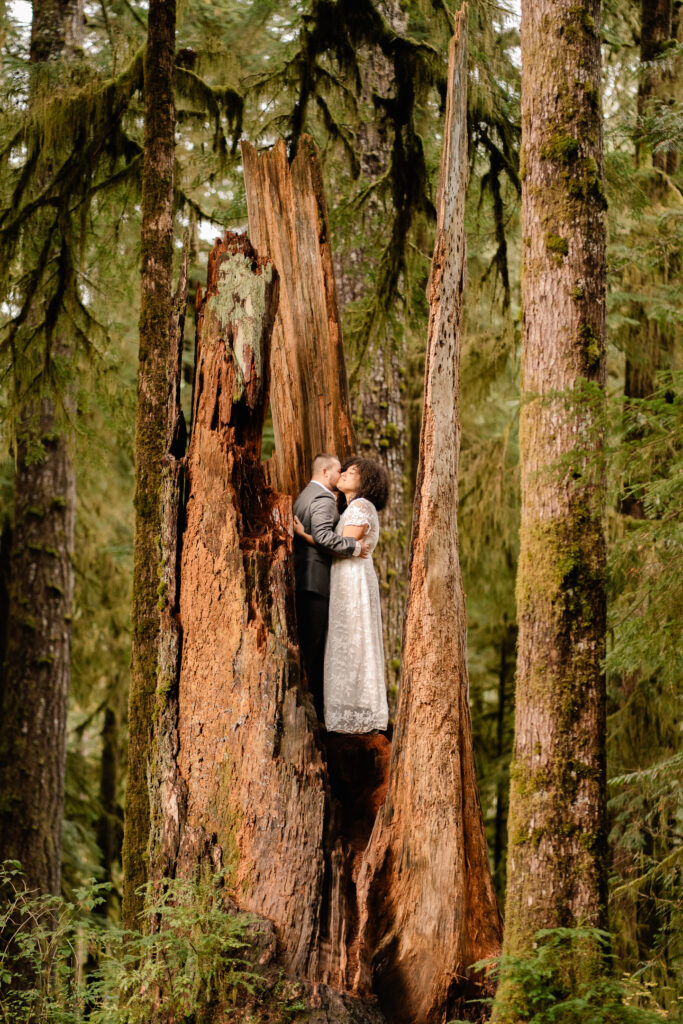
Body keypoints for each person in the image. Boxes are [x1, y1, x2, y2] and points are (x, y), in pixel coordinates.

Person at [294, 456, 389, 734]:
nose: (345, 473)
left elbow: (338, 546)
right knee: (346, 641)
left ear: (367, 481)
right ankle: (342, 709)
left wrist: (304, 536)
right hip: (345, 576)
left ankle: (354, 712)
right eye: (344, 469)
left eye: (353, 471)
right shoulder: (349, 506)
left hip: (352, 579)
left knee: (353, 640)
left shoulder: (360, 505)